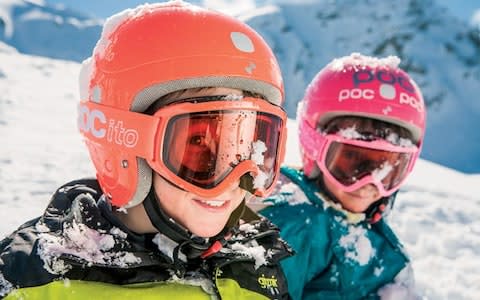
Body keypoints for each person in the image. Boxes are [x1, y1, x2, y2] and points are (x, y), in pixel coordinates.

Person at [0, 2, 293, 299]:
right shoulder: (33, 280)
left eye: (250, 151)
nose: (233, 180)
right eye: (198, 144)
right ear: (124, 142)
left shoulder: (255, 268)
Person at [254, 53, 427, 299]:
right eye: (353, 160)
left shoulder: (365, 222)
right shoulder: (295, 225)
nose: (369, 183)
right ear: (315, 148)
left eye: (387, 167)